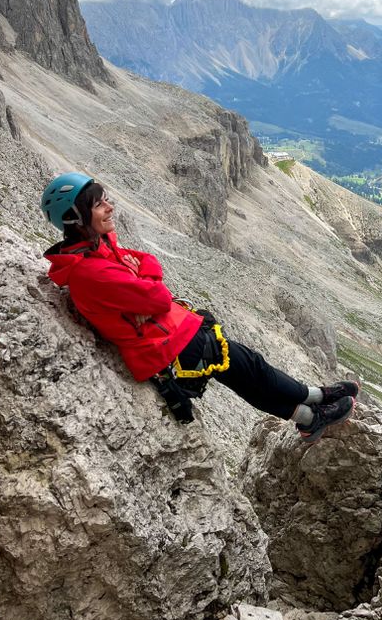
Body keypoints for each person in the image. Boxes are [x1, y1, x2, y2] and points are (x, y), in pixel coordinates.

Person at [41, 172, 357, 442]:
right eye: (99, 205)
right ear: (76, 218)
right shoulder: (90, 272)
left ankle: (308, 412)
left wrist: (145, 278)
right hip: (163, 348)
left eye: (105, 199)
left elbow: (144, 263)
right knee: (248, 365)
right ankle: (313, 404)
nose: (110, 207)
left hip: (169, 331)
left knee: (244, 369)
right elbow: (159, 297)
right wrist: (146, 280)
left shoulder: (99, 246)